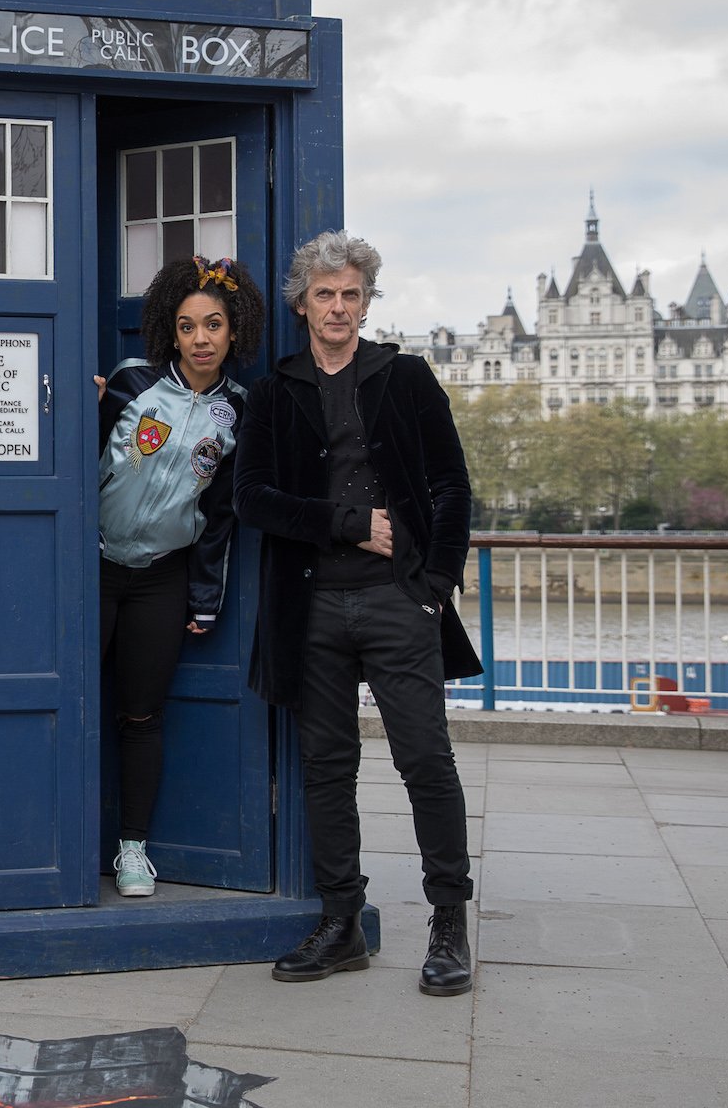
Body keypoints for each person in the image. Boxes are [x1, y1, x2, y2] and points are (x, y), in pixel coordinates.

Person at [232, 230, 480, 996]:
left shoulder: (405, 377)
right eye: (325, 294)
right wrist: (347, 523)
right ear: (302, 304)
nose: (338, 307)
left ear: (367, 303)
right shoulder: (275, 393)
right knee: (328, 768)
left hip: (397, 600)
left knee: (425, 760)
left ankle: (449, 922)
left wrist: (434, 583)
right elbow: (252, 498)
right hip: (310, 607)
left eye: (351, 294)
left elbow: (452, 486)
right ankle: (342, 922)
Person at [95, 255, 265, 897]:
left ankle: (132, 849)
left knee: (142, 716)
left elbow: (220, 515)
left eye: (213, 325)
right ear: (171, 330)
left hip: (161, 580)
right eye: (188, 326)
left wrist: (205, 596)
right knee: (71, 700)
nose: (201, 339)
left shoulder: (238, 411)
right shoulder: (130, 382)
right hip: (93, 568)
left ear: (233, 330)